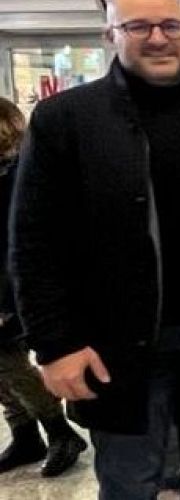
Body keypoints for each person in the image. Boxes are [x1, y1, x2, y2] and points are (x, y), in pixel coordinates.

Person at [9, 0, 180, 500]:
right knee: (131, 484)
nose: (158, 39)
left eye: (171, 26)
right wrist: (56, 345)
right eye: (138, 27)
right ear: (111, 35)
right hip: (118, 349)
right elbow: (33, 240)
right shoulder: (67, 118)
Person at [0, 97, 87, 478]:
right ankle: (24, 433)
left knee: (8, 359)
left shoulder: (20, 172)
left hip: (10, 284)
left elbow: (21, 239)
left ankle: (58, 431)